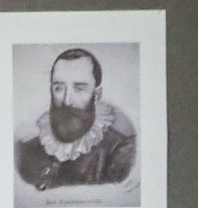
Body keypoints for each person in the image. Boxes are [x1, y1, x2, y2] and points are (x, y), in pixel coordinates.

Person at [14, 47, 137, 191]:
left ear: (96, 96)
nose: (67, 101)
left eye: (79, 88)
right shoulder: (26, 151)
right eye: (59, 88)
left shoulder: (120, 151)